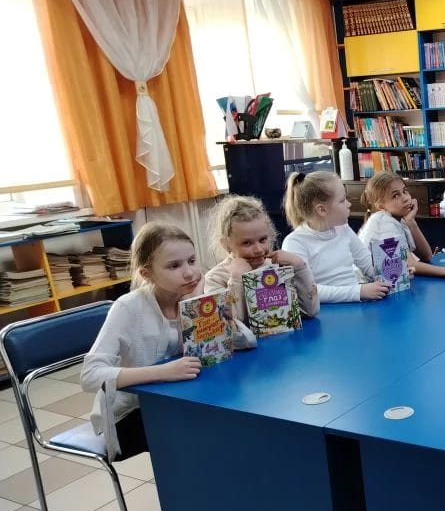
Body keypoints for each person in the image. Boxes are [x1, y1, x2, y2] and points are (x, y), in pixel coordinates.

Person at [81, 223, 256, 460]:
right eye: (174, 266)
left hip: (181, 401)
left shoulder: (194, 299)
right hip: (131, 414)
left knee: (237, 413)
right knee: (212, 432)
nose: (189, 273)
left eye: (192, 261)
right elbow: (90, 375)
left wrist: (229, 323)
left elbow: (248, 342)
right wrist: (163, 372)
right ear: (147, 274)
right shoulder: (128, 307)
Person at [204, 194, 320, 322]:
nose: (258, 249)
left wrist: (299, 267)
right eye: (247, 243)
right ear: (226, 244)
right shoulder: (215, 279)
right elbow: (229, 325)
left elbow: (310, 311)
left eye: (263, 239)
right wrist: (237, 280)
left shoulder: (278, 268)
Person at [281, 170, 390, 303]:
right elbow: (307, 290)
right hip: (325, 311)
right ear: (322, 210)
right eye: (342, 200)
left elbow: (368, 264)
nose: (349, 204)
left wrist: (394, 273)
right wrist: (358, 292)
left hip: (355, 305)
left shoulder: (343, 229)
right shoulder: (295, 242)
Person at [358, 171, 445, 280]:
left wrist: (410, 221)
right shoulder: (384, 222)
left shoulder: (398, 219)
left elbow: (427, 255)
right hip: (366, 285)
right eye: (395, 195)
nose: (405, 198)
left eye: (404, 191)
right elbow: (409, 263)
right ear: (380, 206)